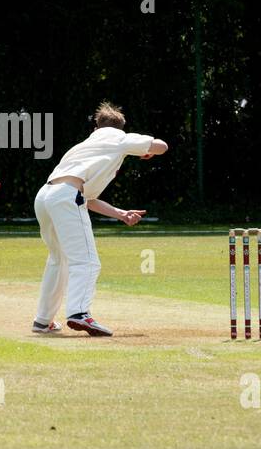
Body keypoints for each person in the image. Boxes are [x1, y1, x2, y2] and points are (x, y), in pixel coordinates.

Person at [32, 101, 168, 336]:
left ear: (95, 128)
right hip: (65, 197)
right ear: (120, 128)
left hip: (45, 197)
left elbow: (85, 198)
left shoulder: (83, 146)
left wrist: (120, 214)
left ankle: (43, 321)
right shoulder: (118, 137)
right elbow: (162, 146)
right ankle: (79, 314)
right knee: (87, 262)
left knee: (58, 260)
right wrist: (146, 149)